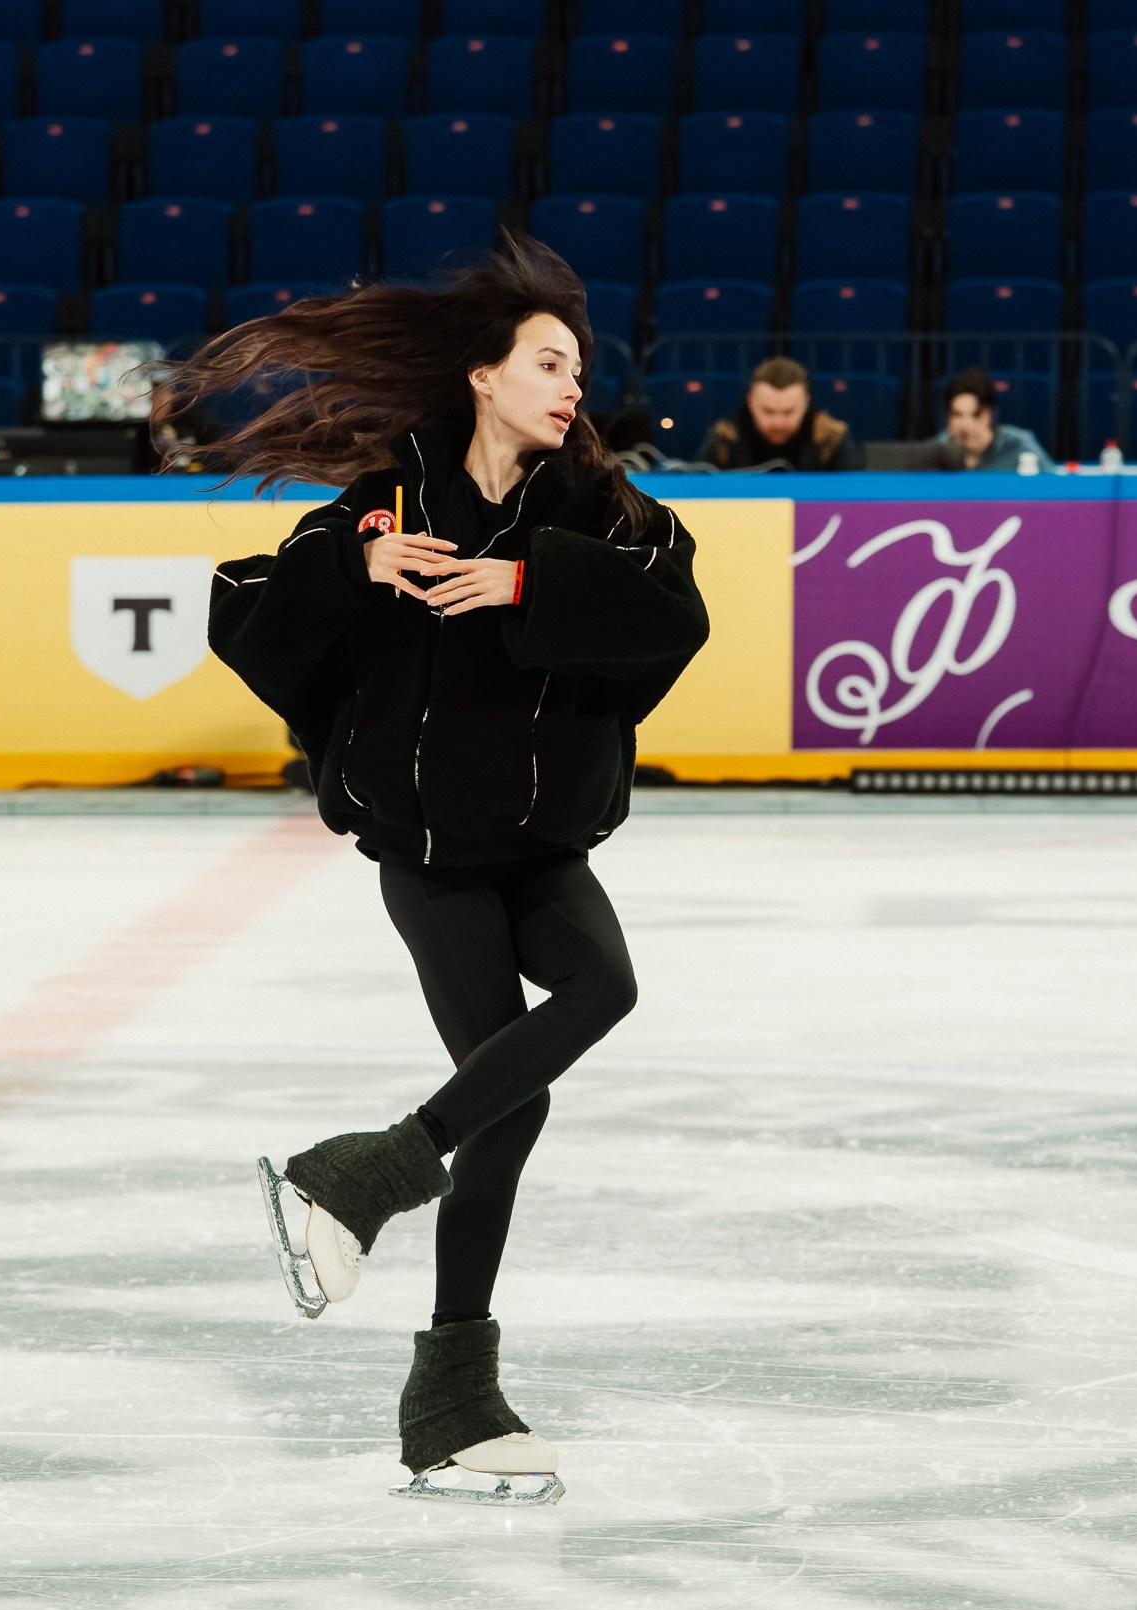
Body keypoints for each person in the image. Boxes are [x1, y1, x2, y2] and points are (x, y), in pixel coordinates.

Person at [191, 237, 710, 1506]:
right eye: (547, 363)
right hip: (428, 856)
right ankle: (454, 1406)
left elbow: (674, 610)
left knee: (603, 987)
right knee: (513, 1107)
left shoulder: (598, 510)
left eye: (577, 368)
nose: (570, 386)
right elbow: (242, 616)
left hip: (539, 847)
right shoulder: (384, 499)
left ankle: (362, 1175)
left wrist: (531, 580)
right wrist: (351, 567)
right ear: (482, 374)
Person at [698, 357, 859, 471]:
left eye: (788, 412)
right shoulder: (724, 437)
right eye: (768, 411)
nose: (778, 422)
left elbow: (854, 500)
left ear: (806, 402)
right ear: (750, 402)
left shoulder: (832, 438)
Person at [924, 367, 1054, 473]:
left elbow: (1052, 484)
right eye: (957, 415)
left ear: (990, 415)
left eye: (976, 415)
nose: (966, 425)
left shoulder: (1018, 445)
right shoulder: (935, 450)